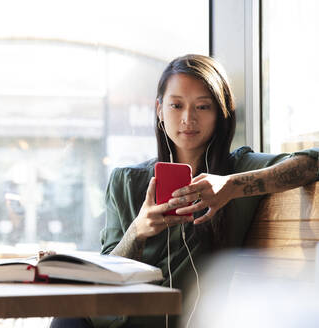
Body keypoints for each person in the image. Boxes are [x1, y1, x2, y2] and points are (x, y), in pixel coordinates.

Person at [50, 54, 318, 328]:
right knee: (67, 316)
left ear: (220, 113)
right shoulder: (126, 181)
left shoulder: (237, 168)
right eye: (176, 105)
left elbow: (314, 162)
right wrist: (139, 230)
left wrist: (230, 186)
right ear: (159, 110)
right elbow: (107, 276)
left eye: (202, 107)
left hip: (191, 319)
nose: (188, 118)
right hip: (113, 322)